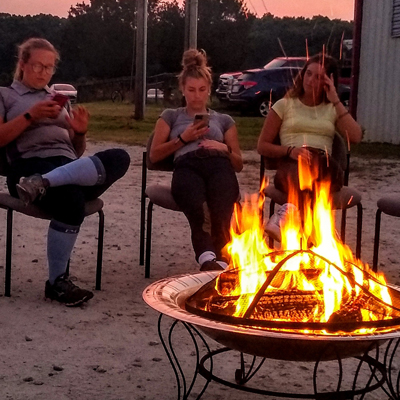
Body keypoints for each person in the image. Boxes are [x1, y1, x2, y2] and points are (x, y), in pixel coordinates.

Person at [0, 37, 130, 306]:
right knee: (72, 198)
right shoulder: (5, 95)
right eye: (38, 66)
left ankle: (43, 183)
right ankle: (57, 282)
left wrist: (80, 132)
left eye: (49, 68)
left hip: (65, 168)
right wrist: (30, 116)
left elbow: (77, 152)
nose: (44, 73)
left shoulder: (58, 100)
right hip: (27, 166)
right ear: (23, 64)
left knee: (120, 157)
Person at [149, 49, 243, 271]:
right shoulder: (171, 116)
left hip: (219, 163)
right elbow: (154, 156)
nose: (197, 95)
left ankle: (221, 256)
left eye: (202, 90)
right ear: (183, 89)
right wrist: (184, 139)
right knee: (198, 207)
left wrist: (224, 148)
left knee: (222, 207)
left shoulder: (224, 120)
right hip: (187, 164)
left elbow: (238, 164)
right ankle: (205, 255)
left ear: (209, 89)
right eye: (191, 90)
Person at [257, 53, 362, 242]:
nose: (311, 80)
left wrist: (335, 99)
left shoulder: (332, 109)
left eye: (319, 77)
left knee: (317, 161)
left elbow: (355, 136)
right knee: (302, 169)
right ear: (303, 75)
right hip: (291, 165)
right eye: (309, 74)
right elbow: (262, 146)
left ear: (329, 82)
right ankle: (313, 238)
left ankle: (287, 215)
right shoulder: (284, 105)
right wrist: (291, 151)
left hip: (326, 168)